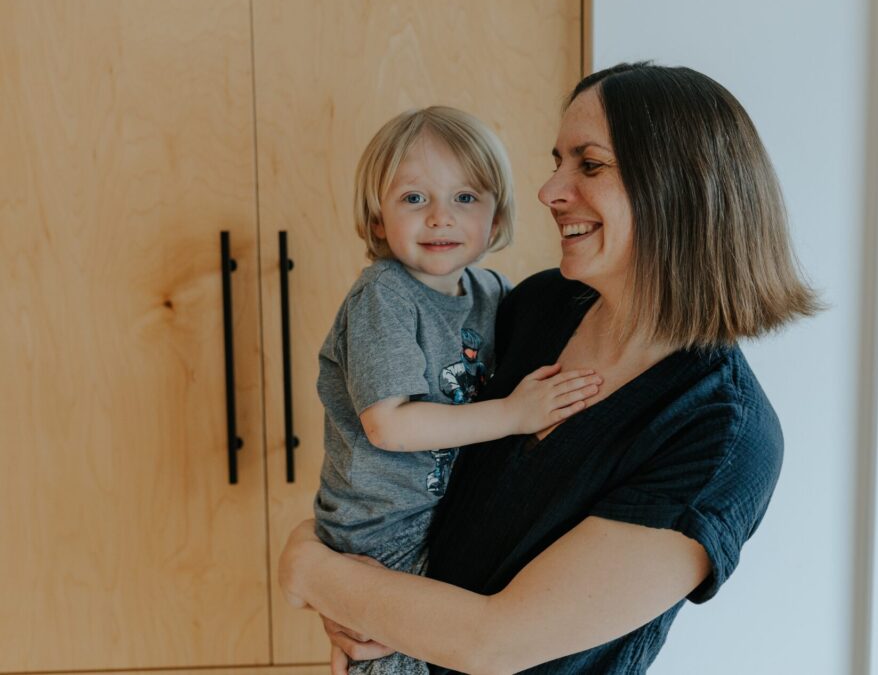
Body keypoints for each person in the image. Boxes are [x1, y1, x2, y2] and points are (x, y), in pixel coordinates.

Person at [282, 64, 820, 674]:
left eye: (589, 165)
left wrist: (309, 569)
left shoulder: (724, 437)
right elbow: (408, 462)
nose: (547, 191)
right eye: (558, 162)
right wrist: (352, 588)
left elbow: (494, 643)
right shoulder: (537, 306)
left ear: (678, 189)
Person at [312, 106, 603, 675]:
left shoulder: (492, 291)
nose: (440, 217)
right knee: (389, 657)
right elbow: (388, 424)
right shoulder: (384, 295)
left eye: (465, 198)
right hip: (381, 530)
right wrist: (515, 414)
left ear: (495, 220)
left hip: (442, 519)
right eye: (414, 198)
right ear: (378, 221)